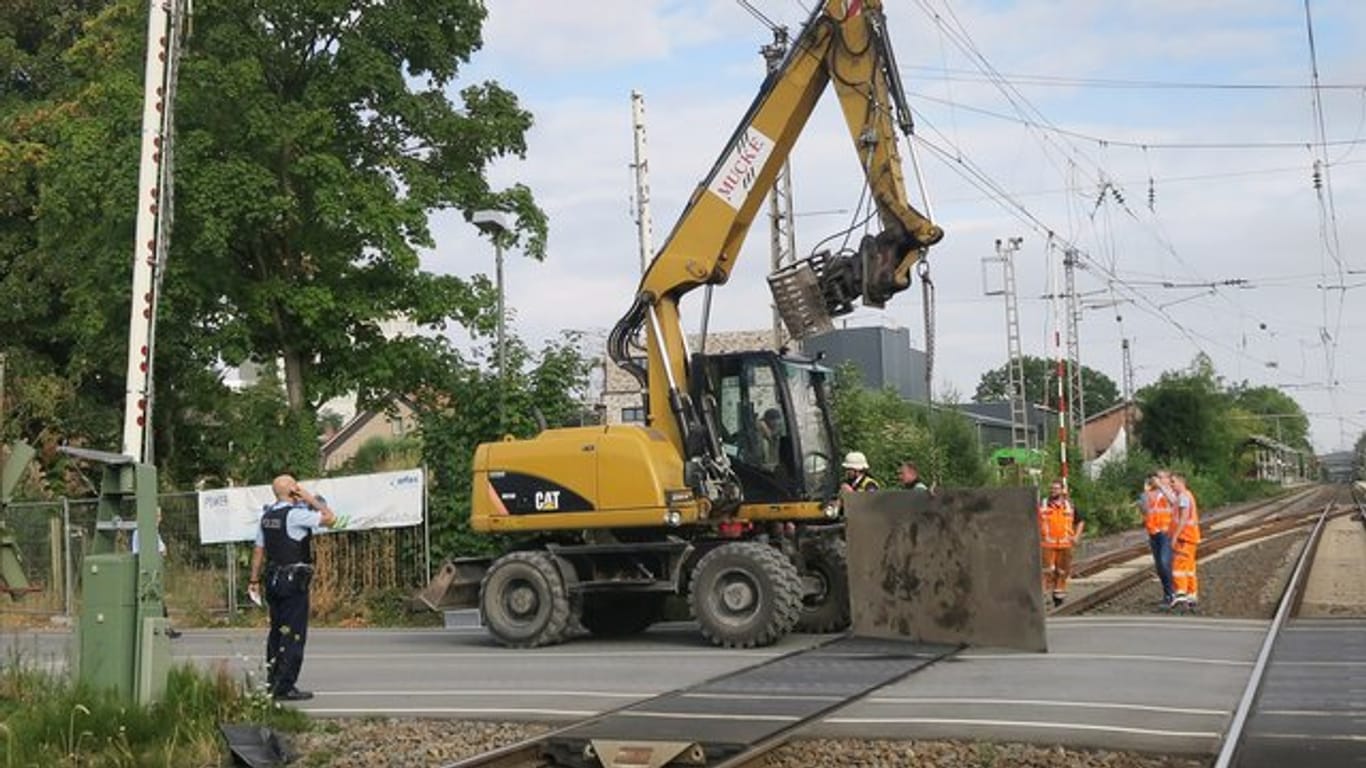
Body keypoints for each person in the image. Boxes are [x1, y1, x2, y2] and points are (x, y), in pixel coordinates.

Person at [248, 475, 342, 701]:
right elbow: (331, 519)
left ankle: (273, 680)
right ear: (292, 491)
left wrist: (253, 580)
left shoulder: (267, 516)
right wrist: (310, 498)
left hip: (272, 580)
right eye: (295, 484)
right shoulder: (295, 515)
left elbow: (258, 550)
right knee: (293, 633)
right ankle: (285, 686)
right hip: (293, 581)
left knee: (277, 632)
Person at [131, 509, 182, 639]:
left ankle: (165, 628)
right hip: (147, 571)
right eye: (158, 516)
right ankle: (164, 629)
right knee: (154, 599)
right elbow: (160, 550)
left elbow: (163, 550)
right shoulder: (144, 532)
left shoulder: (152, 533)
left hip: (153, 570)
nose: (160, 519)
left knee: (158, 600)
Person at [1038, 480, 1084, 607]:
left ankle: (1058, 597)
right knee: (1047, 571)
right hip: (1047, 544)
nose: (1053, 491)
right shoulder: (1042, 504)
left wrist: (1076, 536)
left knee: (1062, 571)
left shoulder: (1070, 505)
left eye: (1056, 488)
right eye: (1052, 488)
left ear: (1062, 490)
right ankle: (1044, 597)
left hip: (1065, 544)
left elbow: (1080, 521)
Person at [1141, 473, 1176, 608]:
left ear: (1168, 480)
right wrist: (1146, 493)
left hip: (1166, 532)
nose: (1158, 479)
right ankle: (1167, 594)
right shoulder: (1153, 494)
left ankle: (1173, 593)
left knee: (1164, 562)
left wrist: (1161, 486)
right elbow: (1145, 509)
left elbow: (1173, 501)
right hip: (1154, 533)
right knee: (1160, 566)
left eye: (1162, 477)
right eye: (1157, 477)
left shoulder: (1171, 492)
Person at [1169, 473, 1201, 610]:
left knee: (1179, 566)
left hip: (1184, 538)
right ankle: (1191, 595)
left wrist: (1175, 536)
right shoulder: (1187, 495)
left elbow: (1183, 518)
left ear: (1181, 483)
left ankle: (1181, 594)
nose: (1171, 484)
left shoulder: (1183, 497)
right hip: (1190, 538)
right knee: (1189, 568)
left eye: (1173, 482)